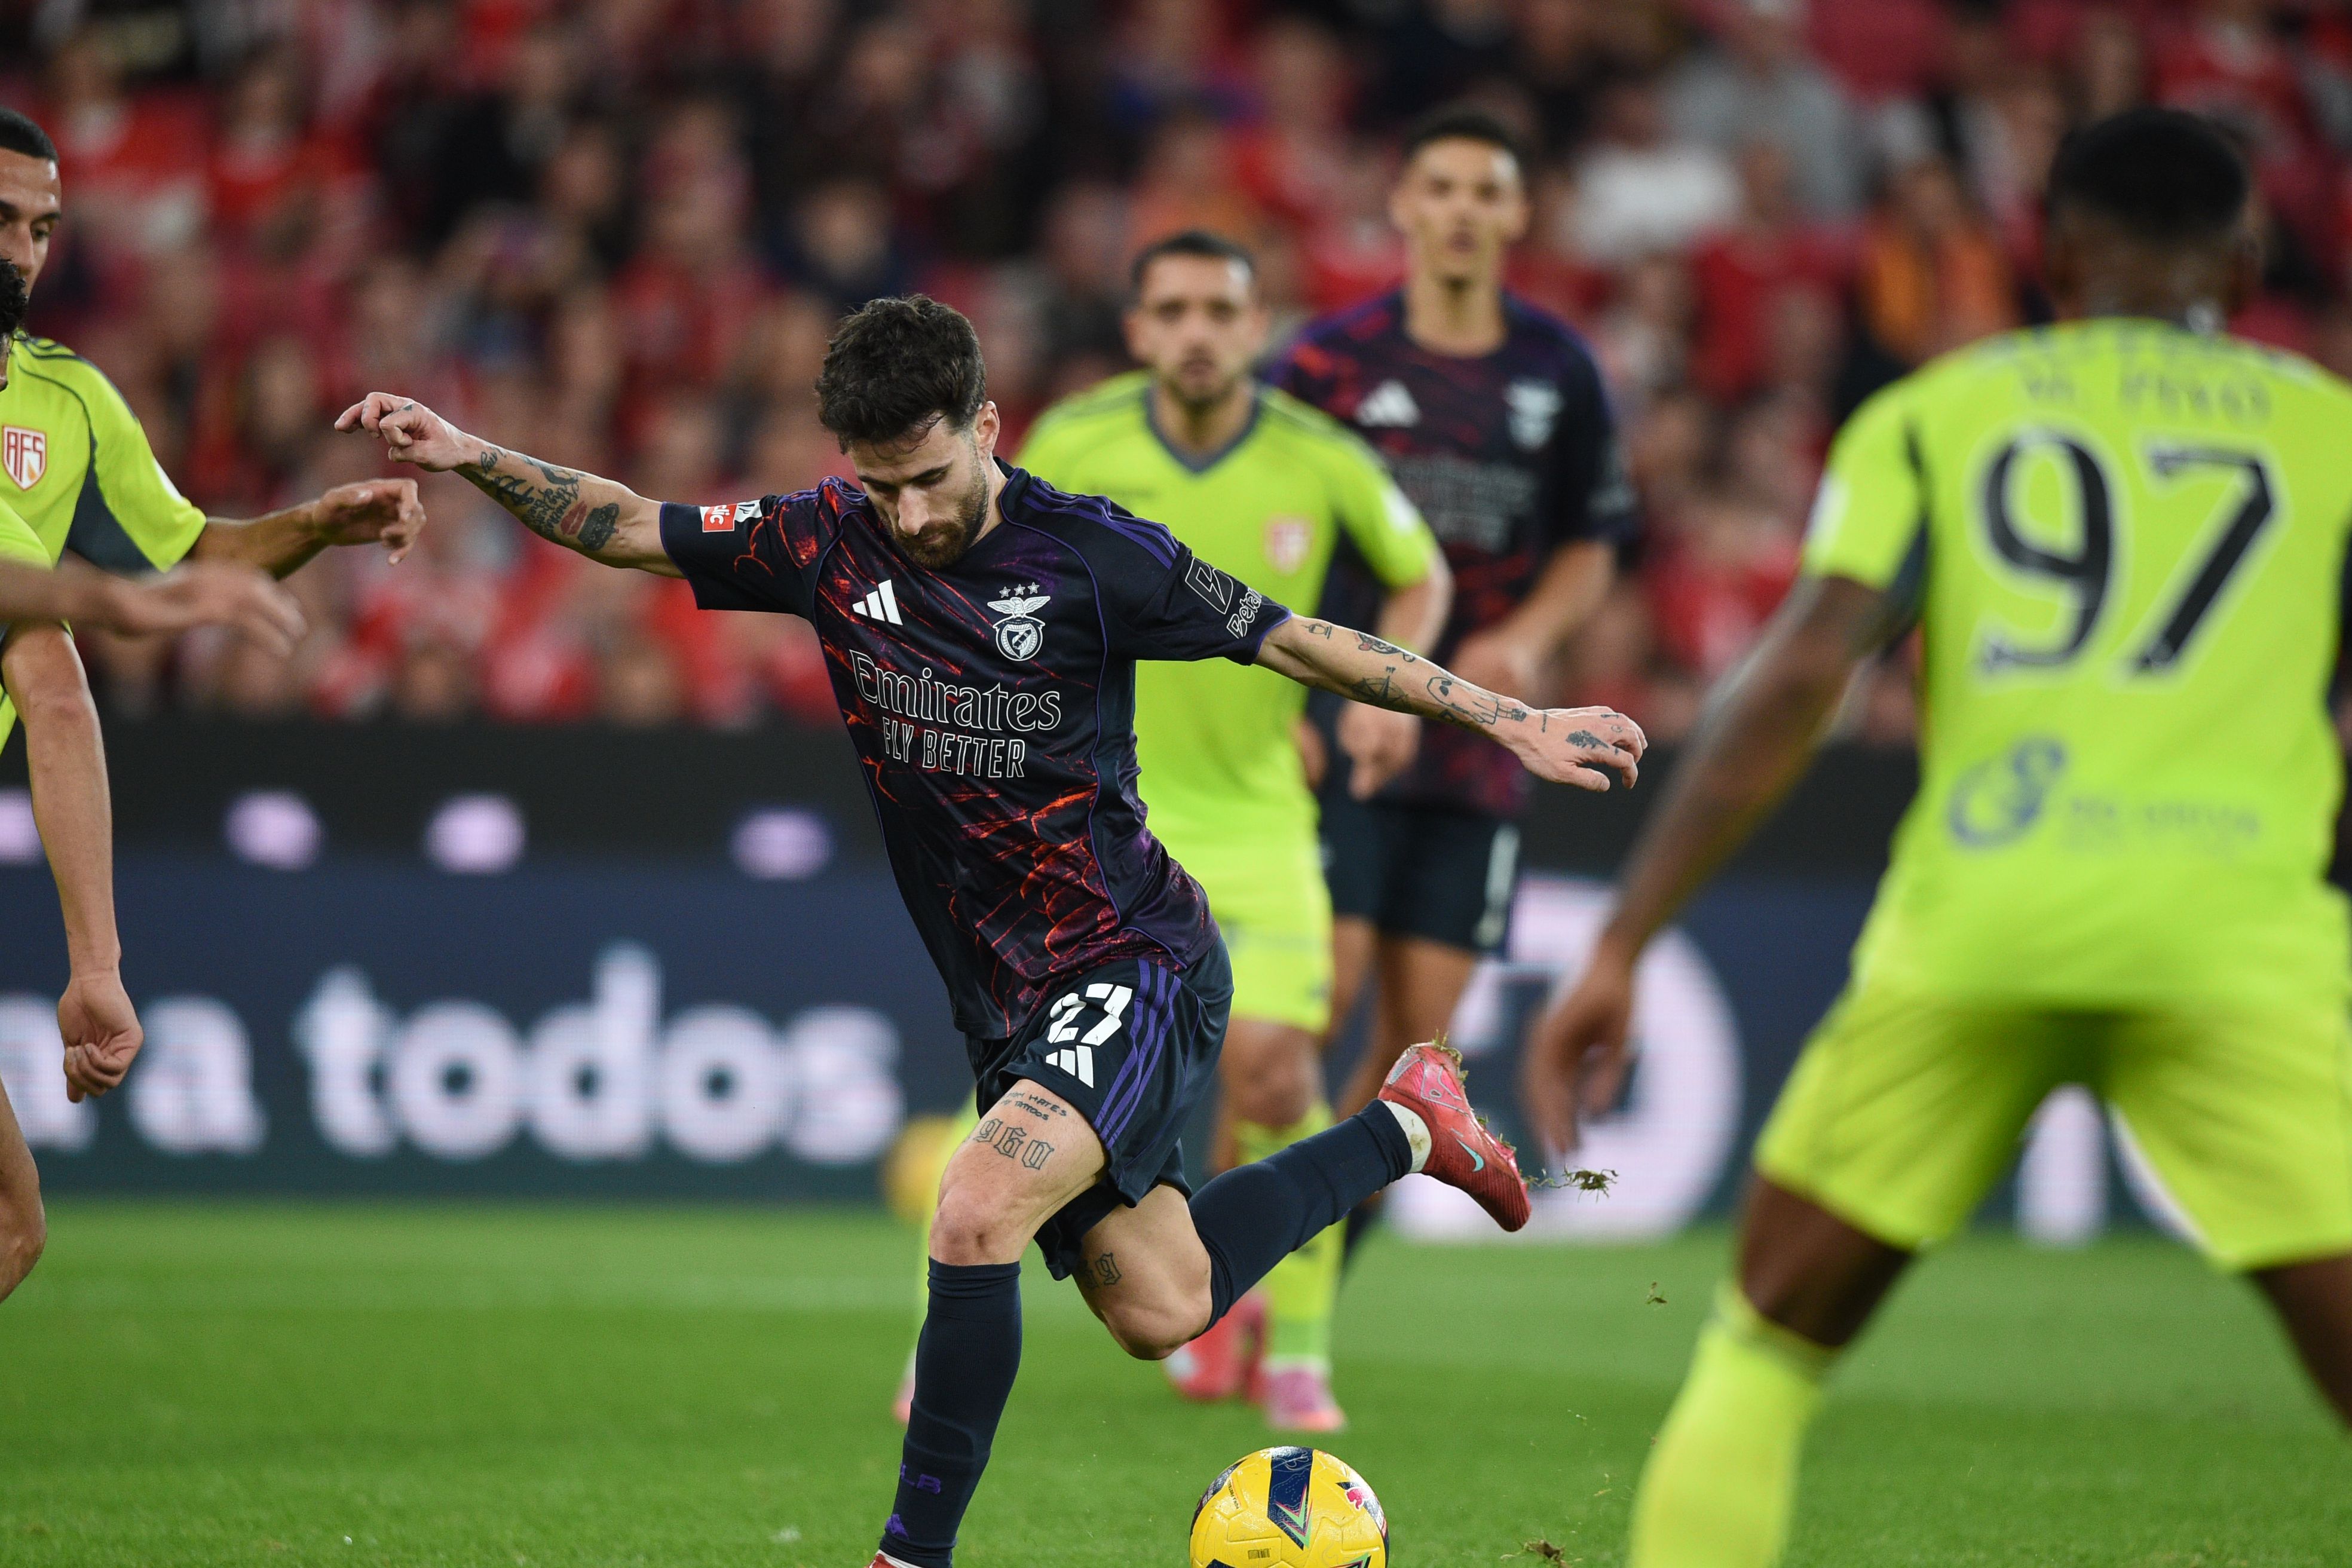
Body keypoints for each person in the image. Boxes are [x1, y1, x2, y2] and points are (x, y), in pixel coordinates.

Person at [336, 293, 1645, 1568]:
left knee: (971, 1211)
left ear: (987, 426)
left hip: (1133, 956)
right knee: (1165, 1305)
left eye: (929, 478)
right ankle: (1408, 1124)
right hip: (1005, 998)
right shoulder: (824, 539)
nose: (910, 514)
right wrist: (468, 452)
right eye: (881, 485)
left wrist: (1507, 718)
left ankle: (911, 1556)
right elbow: (628, 525)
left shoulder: (1095, 555)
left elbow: (1298, 641)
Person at [1521, 108, 2352, 1568]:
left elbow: (1799, 676)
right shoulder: (2326, 430)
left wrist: (1626, 936)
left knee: (1763, 1347)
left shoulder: (1939, 413)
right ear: (2243, 258)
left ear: (2051, 255)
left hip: (1978, 924)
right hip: (2238, 937)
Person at [1018, 230, 1451, 1431]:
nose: (1198, 331)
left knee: (1272, 1074)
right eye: (1173, 310)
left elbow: (1420, 574)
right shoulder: (1076, 441)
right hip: (1110, 819)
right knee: (1034, 1083)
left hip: (1261, 816)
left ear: (1258, 328)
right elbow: (997, 575)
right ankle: (939, 1341)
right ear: (1138, 329)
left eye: (1221, 309)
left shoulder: (1320, 454)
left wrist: (1386, 695)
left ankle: (1297, 1349)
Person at [1272, 106, 1634, 1255]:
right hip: (1345, 724)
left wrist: (1525, 636)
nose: (1463, 210)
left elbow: (1591, 544)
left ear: (1518, 213)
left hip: (1486, 746)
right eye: (1442, 187)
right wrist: (1282, 704)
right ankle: (1230, 1279)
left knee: (1413, 1059)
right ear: (1403, 205)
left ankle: (1308, 1292)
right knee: (1310, 1010)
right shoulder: (1327, 363)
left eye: (1487, 190)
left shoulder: (1559, 370)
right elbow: (1269, 532)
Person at [0, 258, 308, 1303]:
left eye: (42, 225)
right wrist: (134, 605)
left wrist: (96, 963)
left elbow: (56, 692)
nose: (26, 250)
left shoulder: (63, 409)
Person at [0, 106, 422, 744]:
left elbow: (187, 554)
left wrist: (314, 525)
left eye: (41, 230)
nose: (23, 254)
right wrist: (114, 601)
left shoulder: (74, 401)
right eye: (2, 220)